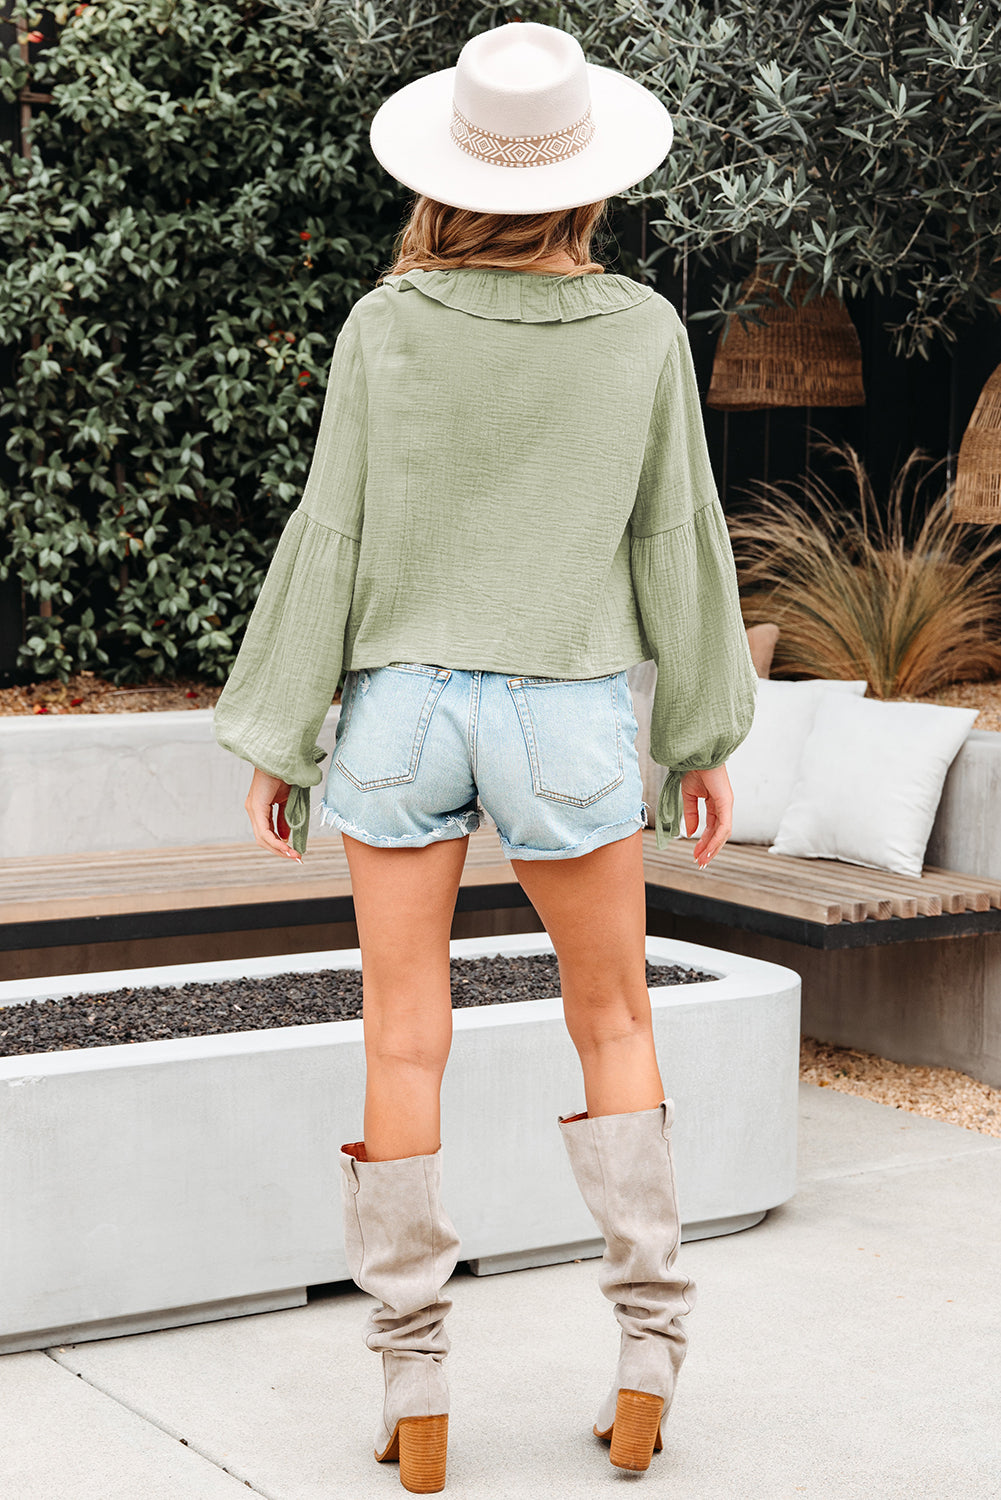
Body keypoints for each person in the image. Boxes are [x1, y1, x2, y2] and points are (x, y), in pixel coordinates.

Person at [213, 19, 758, 1494]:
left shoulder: (384, 326)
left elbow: (330, 532)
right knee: (615, 1024)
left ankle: (417, 1397)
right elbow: (675, 539)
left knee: (403, 1035)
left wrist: (280, 733)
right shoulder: (641, 329)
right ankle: (645, 1368)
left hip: (398, 714)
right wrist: (701, 731)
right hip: (567, 711)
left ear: (447, 172)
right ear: (586, 176)